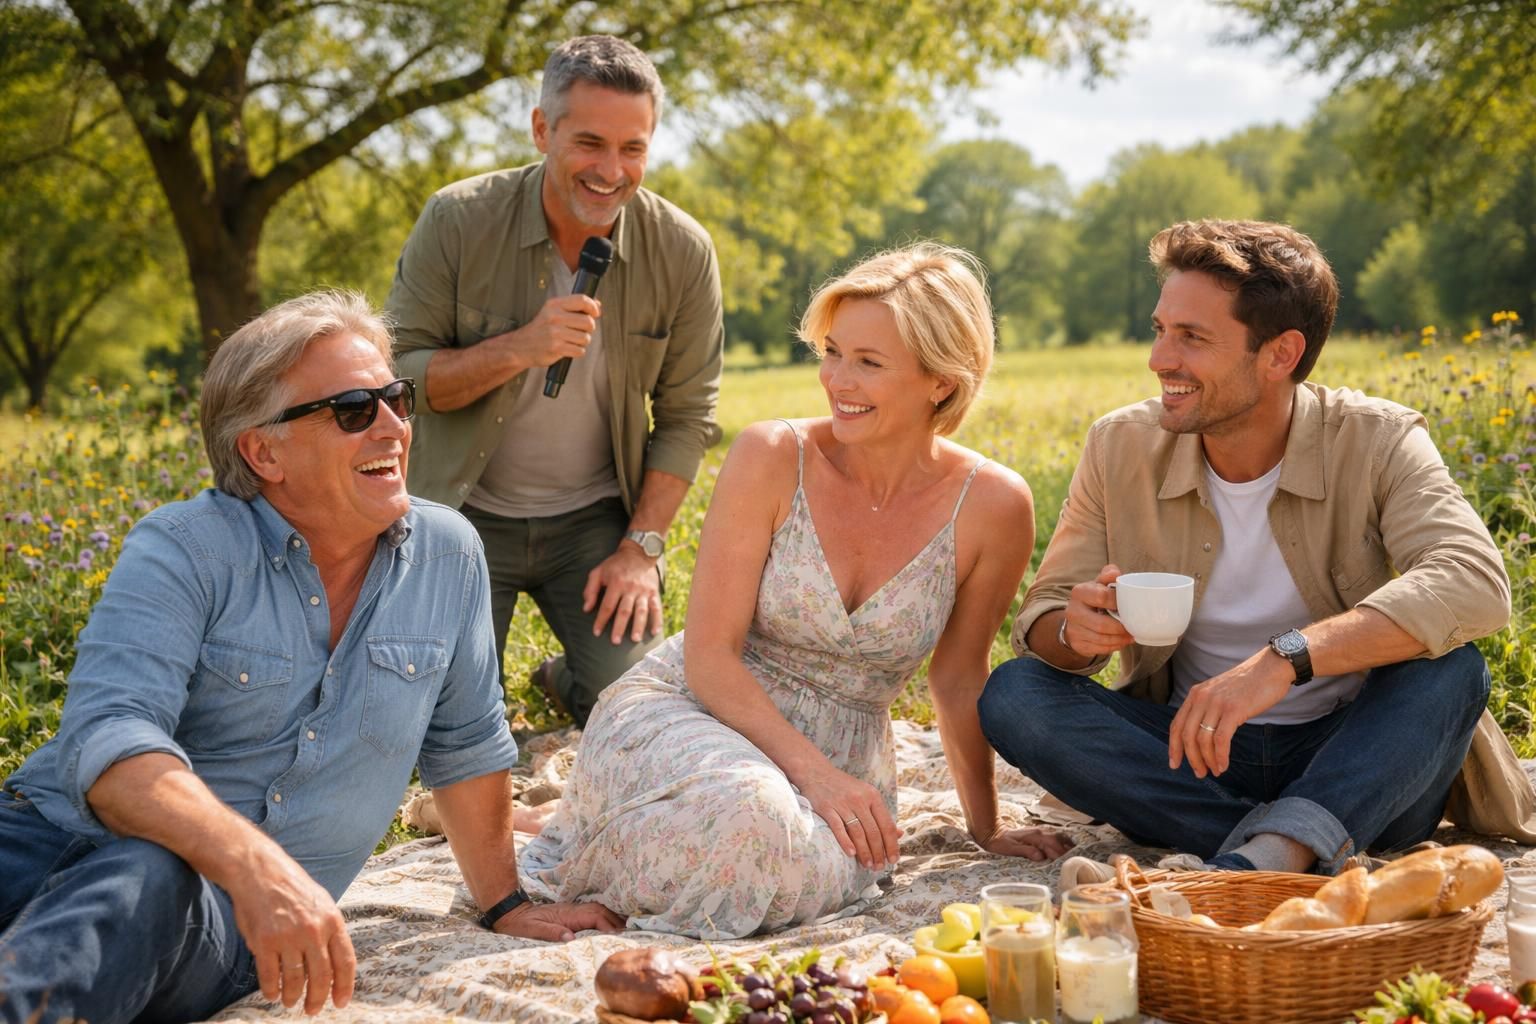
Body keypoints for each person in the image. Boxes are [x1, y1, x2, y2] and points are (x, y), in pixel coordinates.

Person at [0, 292, 622, 1024]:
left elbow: (466, 746)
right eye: (354, 409)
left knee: (157, 870)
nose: (394, 426)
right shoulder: (184, 549)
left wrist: (506, 903)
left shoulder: (449, 555)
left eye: (395, 398)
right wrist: (257, 862)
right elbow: (108, 745)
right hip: (38, 838)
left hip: (199, 918)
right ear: (264, 452)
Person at [517, 243, 1073, 938]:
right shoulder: (772, 457)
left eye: (868, 363)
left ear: (941, 380)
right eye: (833, 352)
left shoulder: (994, 504)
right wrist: (816, 778)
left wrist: (985, 827)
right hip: (699, 709)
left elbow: (958, 678)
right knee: (754, 816)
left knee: (777, 841)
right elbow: (711, 656)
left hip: (842, 754)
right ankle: (589, 816)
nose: (836, 379)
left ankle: (594, 815)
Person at [979, 219, 1521, 877]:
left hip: (1354, 751)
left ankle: (1266, 844)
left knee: (1452, 669)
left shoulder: (1377, 438)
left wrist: (1281, 662)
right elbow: (1045, 623)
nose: (1159, 360)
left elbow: (1474, 581)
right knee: (1015, 695)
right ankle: (1290, 846)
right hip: (1187, 753)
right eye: (1160, 330)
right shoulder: (1118, 445)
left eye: (1192, 338)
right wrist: (1076, 631)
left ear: (1279, 355)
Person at [386, 35, 724, 726]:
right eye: (590, 143)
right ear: (542, 129)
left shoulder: (683, 250)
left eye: (633, 149)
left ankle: (566, 678)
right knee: (439, 719)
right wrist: (519, 348)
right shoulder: (456, 219)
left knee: (641, 712)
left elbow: (689, 419)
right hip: (461, 514)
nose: (611, 170)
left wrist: (640, 549)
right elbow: (401, 382)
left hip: (596, 524)